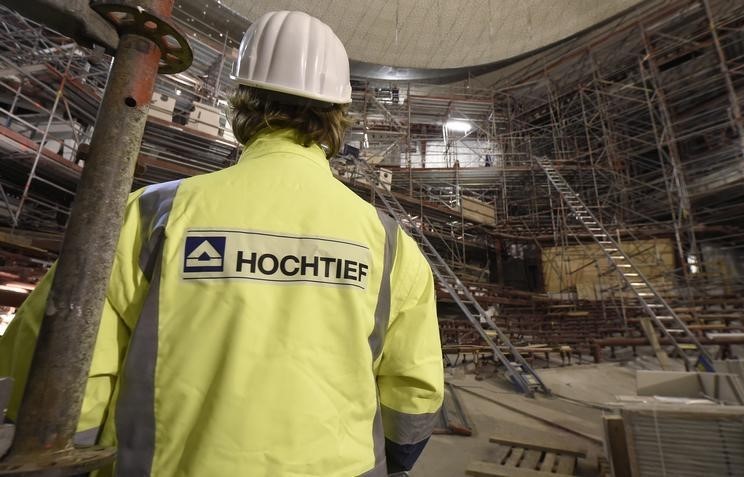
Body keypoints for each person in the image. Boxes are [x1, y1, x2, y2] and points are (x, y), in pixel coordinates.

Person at [0, 11, 443, 476]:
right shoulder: (389, 244)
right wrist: (395, 460)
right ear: (338, 117)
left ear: (241, 107)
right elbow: (414, 389)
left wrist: (78, 453)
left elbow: (57, 357)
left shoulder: (151, 214)